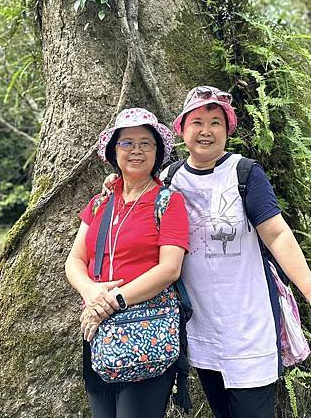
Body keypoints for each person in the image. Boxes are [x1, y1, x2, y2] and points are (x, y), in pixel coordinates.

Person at [102, 87, 311, 418]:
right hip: (200, 327)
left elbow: (277, 235)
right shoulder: (168, 179)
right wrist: (114, 183)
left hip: (249, 324)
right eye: (198, 122)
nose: (206, 131)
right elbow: (134, 201)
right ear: (182, 129)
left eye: (216, 122)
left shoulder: (244, 173)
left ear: (228, 129)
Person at [65, 108, 189, 418]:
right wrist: (92, 293)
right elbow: (75, 260)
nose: (136, 150)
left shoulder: (168, 202)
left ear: (158, 152)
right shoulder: (99, 203)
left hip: (147, 328)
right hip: (97, 329)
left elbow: (169, 269)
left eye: (146, 143)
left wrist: (112, 300)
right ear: (113, 151)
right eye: (127, 143)